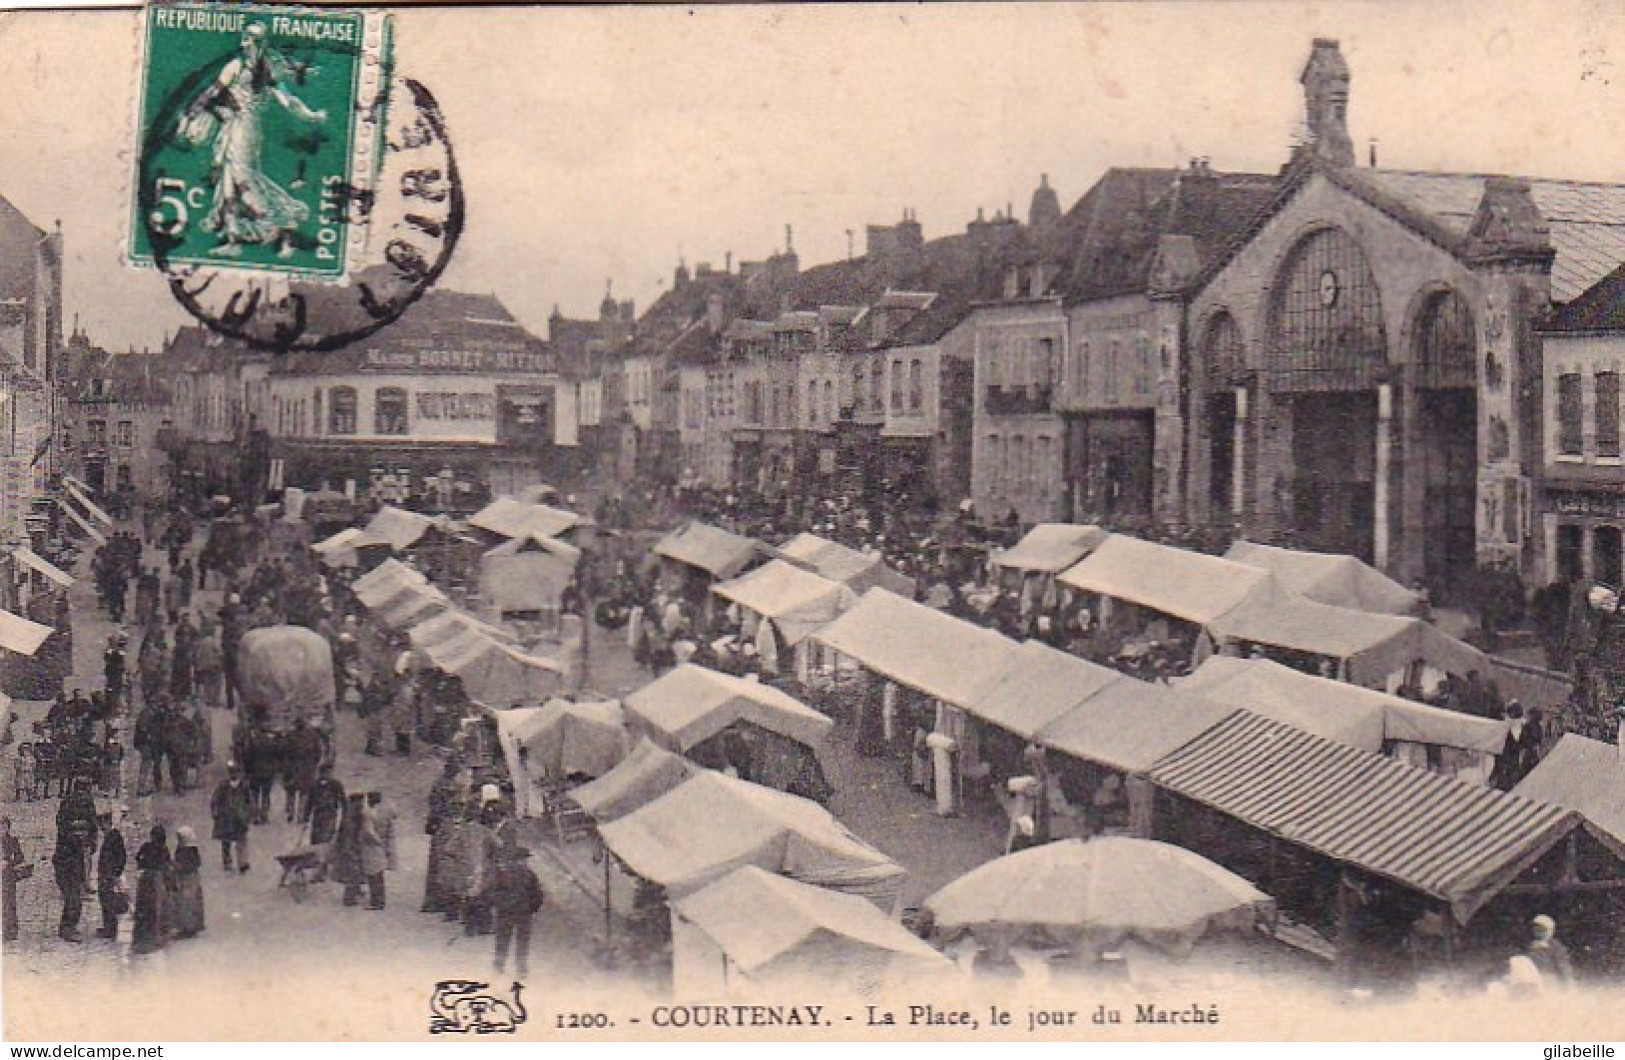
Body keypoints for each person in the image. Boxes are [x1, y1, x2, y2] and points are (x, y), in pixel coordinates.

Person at [175, 21, 328, 258]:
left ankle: (284, 226)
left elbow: (210, 94)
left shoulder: (243, 67)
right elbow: (287, 101)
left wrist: (187, 118)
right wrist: (311, 115)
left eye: (248, 39)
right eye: (244, 38)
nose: (243, 43)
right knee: (228, 183)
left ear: (257, 42)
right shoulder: (260, 67)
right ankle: (233, 239)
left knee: (241, 179)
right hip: (240, 126)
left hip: (242, 128)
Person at [490, 842, 544, 979]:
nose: (523, 862)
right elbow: (537, 894)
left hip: (507, 912)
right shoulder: (530, 874)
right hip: (522, 912)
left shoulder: (503, 873)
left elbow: (493, 891)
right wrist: (533, 907)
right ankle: (520, 968)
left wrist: (500, 904)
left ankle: (499, 965)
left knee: (503, 940)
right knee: (521, 942)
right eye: (522, 859)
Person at [331, 794, 386, 910]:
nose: (362, 804)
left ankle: (355, 892)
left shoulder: (350, 811)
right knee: (354, 870)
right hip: (351, 845)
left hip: (350, 845)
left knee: (355, 869)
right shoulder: (353, 813)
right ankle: (349, 898)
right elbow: (351, 832)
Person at [131, 825, 171, 955]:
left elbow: (137, 857)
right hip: (157, 881)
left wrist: (142, 865)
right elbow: (167, 865)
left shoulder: (146, 846)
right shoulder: (163, 849)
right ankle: (154, 938)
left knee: (142, 908)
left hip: (144, 879)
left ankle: (139, 939)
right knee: (155, 909)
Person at [210, 762, 253, 873]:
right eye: (231, 772)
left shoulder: (244, 786)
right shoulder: (223, 786)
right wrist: (216, 812)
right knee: (226, 842)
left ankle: (242, 862)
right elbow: (215, 800)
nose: (234, 774)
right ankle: (227, 862)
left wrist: (248, 814)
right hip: (226, 818)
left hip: (239, 817)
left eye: (236, 772)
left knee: (241, 841)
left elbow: (249, 801)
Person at [95, 808, 128, 940]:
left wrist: (115, 873)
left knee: (108, 902)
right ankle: (108, 927)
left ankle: (110, 929)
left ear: (107, 823)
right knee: (105, 900)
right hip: (105, 874)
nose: (101, 829)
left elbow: (121, 857)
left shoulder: (114, 837)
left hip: (109, 875)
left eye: (102, 826)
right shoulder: (112, 836)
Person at [170, 827, 205, 938]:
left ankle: (188, 926)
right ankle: (188, 926)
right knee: (186, 903)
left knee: (187, 902)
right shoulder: (186, 849)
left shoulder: (189, 850)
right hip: (187, 879)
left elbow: (193, 864)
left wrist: (179, 866)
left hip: (188, 879)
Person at [1527, 914, 1575, 985]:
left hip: (1550, 981)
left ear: (1549, 930)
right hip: (1532, 980)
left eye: (1541, 929)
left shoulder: (1556, 947)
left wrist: (1569, 984)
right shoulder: (1530, 945)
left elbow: (1564, 968)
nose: (1537, 932)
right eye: (1535, 929)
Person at [2, 817, 28, 942]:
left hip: (8, 877)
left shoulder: (12, 841)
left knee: (10, 903)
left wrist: (9, 862)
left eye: (4, 827)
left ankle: (11, 929)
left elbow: (20, 857)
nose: (1, 830)